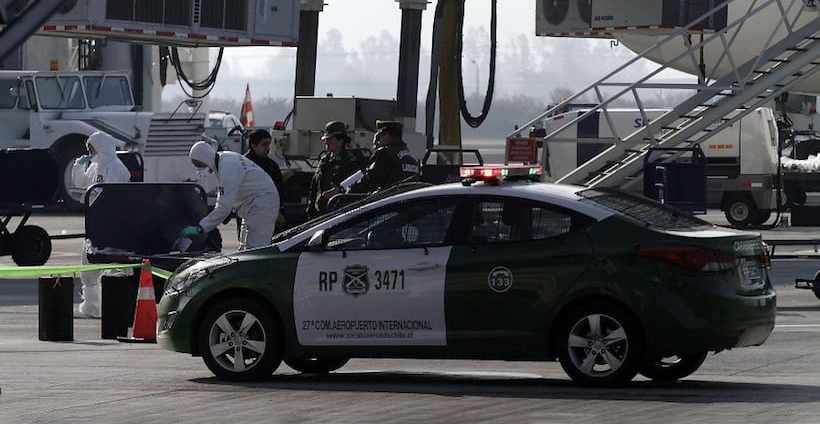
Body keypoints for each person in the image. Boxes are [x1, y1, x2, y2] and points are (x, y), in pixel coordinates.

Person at [72, 131, 132, 318]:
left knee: (122, 267)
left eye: (92, 148)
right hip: (96, 225)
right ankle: (91, 307)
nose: (90, 153)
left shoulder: (116, 167)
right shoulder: (94, 166)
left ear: (102, 148)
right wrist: (77, 166)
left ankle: (123, 306)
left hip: (114, 225)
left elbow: (112, 197)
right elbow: (80, 183)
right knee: (89, 264)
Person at [182, 141, 278, 251]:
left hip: (262, 203)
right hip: (255, 204)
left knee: (255, 249)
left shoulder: (228, 167)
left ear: (205, 158)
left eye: (199, 164)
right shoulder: (224, 161)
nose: (198, 169)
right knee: (245, 249)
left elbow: (223, 207)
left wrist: (201, 228)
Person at [306, 121, 363, 219]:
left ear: (340, 141)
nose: (326, 142)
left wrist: (339, 190)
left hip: (339, 214)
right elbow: (315, 186)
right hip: (320, 213)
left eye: (330, 139)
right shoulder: (324, 160)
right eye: (325, 139)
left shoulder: (350, 161)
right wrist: (310, 209)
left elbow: (356, 186)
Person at [349, 120, 420, 193]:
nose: (376, 143)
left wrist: (350, 189)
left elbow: (370, 182)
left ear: (387, 136)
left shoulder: (384, 153)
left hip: (389, 201)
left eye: (378, 137)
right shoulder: (413, 159)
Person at [243, 128, 285, 227]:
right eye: (264, 144)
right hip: (247, 213)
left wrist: (279, 211)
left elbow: (280, 190)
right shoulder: (243, 164)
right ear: (253, 146)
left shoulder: (271, 166)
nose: (268, 148)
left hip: (267, 214)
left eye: (269, 144)